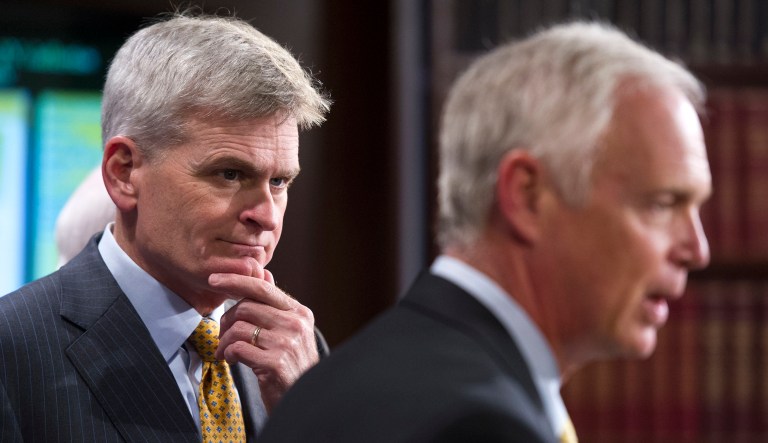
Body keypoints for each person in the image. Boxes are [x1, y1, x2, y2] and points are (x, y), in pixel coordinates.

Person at [259, 21, 711, 443]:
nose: (697, 249)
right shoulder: (479, 424)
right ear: (527, 196)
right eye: (662, 204)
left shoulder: (339, 377)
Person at [0, 12, 330, 442]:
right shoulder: (11, 352)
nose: (266, 216)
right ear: (124, 172)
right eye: (229, 174)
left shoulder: (298, 349)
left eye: (279, 181)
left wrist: (310, 416)